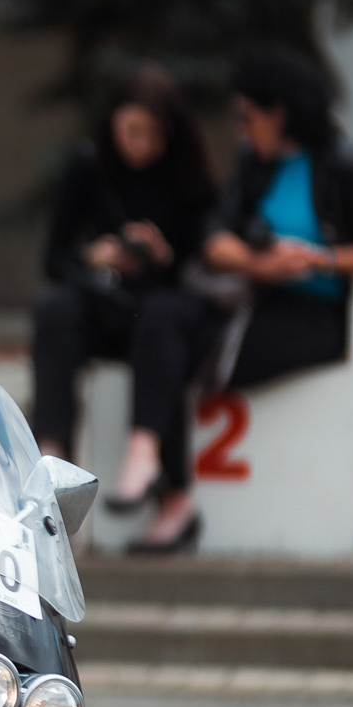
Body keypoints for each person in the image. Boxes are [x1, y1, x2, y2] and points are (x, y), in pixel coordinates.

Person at [117, 48, 353, 553]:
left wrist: (317, 260)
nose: (241, 131)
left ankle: (174, 500)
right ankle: (145, 454)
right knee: (160, 315)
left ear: (279, 112)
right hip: (254, 296)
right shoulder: (254, 165)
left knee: (171, 353)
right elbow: (214, 239)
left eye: (247, 117)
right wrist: (260, 264)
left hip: (313, 315)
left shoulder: (347, 166)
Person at [28, 64, 215, 463]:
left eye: (154, 134)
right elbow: (54, 259)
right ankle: (51, 451)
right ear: (113, 121)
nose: (141, 145)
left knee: (163, 316)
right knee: (54, 308)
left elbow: (205, 264)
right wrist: (97, 257)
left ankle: (147, 460)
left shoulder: (188, 174)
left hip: (159, 314)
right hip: (106, 305)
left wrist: (163, 256)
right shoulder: (89, 165)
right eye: (132, 131)